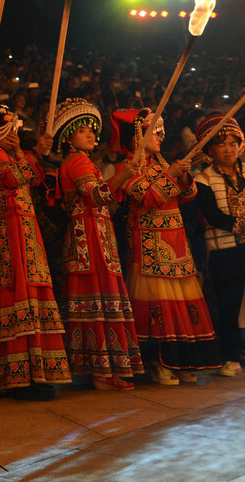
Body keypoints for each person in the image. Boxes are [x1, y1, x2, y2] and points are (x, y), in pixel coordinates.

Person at [111, 109, 221, 383]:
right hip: (148, 247)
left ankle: (181, 363)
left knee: (181, 307)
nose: (160, 134)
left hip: (176, 243)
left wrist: (185, 175)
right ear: (138, 136)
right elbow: (148, 198)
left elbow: (187, 196)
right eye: (153, 130)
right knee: (159, 309)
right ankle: (157, 363)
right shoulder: (128, 167)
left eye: (160, 129)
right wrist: (171, 174)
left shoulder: (161, 163)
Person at [0, 105, 71, 400]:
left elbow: (33, 177)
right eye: (9, 128)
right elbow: (17, 179)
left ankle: (35, 371)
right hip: (12, 230)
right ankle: (23, 375)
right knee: (20, 293)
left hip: (23, 228)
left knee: (31, 292)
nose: (14, 133)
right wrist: (21, 153)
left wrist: (26, 152)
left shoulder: (3, 154)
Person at [53, 98, 143, 391]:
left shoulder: (84, 160)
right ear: (68, 137)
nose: (92, 134)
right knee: (99, 300)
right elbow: (94, 197)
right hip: (88, 237)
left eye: (93, 129)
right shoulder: (77, 161)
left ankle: (104, 368)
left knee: (102, 302)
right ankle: (102, 371)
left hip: (96, 235)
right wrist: (121, 177)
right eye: (83, 130)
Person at [192, 113, 245, 378]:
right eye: (222, 144)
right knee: (229, 304)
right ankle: (230, 356)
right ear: (209, 149)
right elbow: (213, 216)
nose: (229, 149)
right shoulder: (203, 179)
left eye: (233, 143)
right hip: (226, 250)